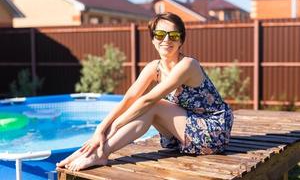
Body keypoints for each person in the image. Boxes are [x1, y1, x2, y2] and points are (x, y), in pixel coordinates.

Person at [57, 12, 234, 171]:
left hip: (212, 132)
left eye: (173, 35)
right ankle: (88, 151)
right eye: (160, 34)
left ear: (181, 40)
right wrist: (100, 129)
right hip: (185, 130)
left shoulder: (188, 65)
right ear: (153, 39)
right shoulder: (154, 68)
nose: (166, 40)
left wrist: (114, 128)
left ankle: (100, 154)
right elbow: (129, 99)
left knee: (153, 105)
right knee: (143, 107)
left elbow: (148, 101)